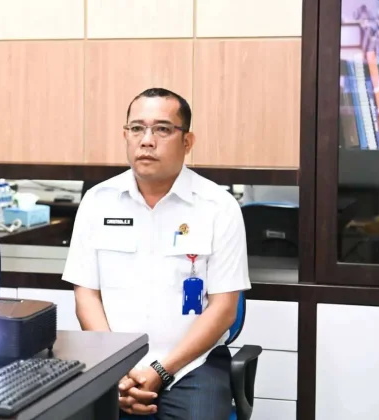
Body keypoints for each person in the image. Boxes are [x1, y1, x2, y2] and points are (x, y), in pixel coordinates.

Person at [61, 88, 250, 419]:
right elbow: (86, 296)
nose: (147, 141)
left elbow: (224, 309)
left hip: (192, 365)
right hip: (113, 363)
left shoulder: (218, 207)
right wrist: (117, 369)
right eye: (137, 128)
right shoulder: (97, 201)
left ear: (187, 141)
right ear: (126, 136)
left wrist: (161, 371)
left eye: (162, 129)